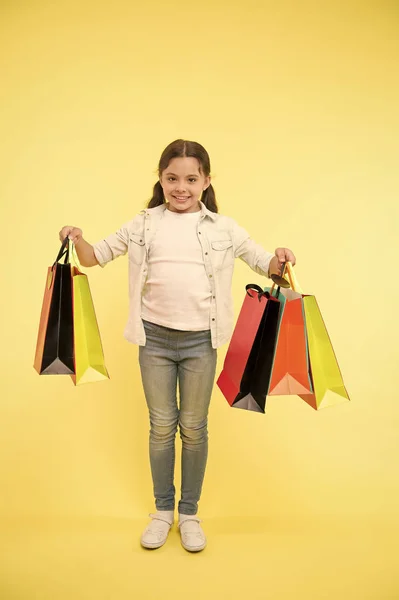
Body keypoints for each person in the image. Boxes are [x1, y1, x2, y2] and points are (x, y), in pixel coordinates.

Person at [59, 139, 296, 553]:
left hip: (201, 342)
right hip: (154, 341)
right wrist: (76, 238)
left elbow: (265, 263)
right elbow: (94, 257)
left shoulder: (225, 228)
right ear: (161, 179)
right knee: (161, 426)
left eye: (191, 179)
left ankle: (189, 514)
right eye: (172, 178)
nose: (180, 187)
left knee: (194, 427)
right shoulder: (143, 223)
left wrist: (281, 259)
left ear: (206, 181)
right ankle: (162, 512)